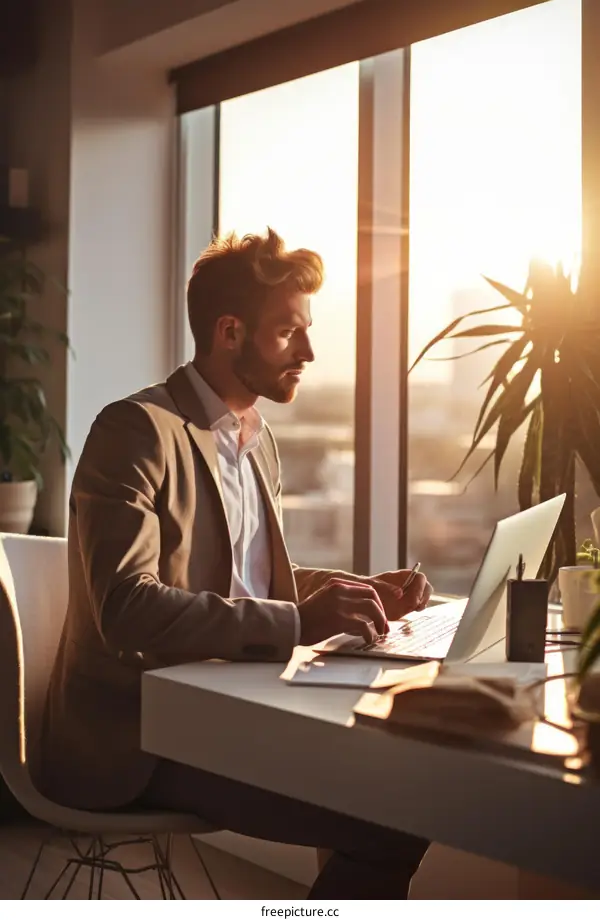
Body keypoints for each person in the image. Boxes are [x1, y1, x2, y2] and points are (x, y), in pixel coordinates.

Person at [41, 228, 433, 899]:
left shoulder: (258, 439)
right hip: (143, 737)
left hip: (236, 710)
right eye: (289, 332)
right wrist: (298, 622)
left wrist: (348, 591)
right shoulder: (135, 430)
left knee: (406, 791)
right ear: (229, 333)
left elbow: (242, 579)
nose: (309, 352)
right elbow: (126, 609)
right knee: (394, 823)